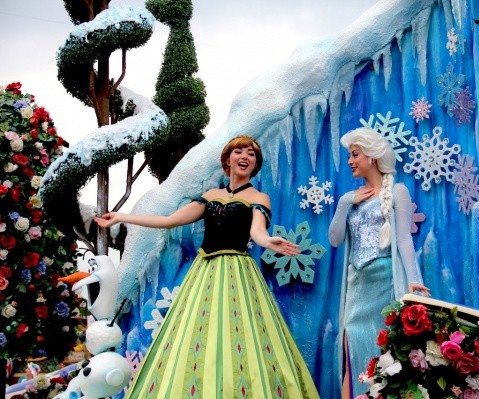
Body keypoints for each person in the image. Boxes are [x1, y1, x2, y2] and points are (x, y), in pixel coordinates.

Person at [95, 135, 319, 399]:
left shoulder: (259, 197)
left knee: (241, 333)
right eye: (239, 151)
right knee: (197, 333)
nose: (245, 156)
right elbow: (170, 220)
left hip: (238, 273)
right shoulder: (211, 196)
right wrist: (123, 216)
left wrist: (268, 241)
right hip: (205, 274)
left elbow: (257, 231)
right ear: (228, 159)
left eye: (251, 154)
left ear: (255, 164)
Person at [328, 127, 430, 398]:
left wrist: (414, 282)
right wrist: (344, 203)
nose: (350, 161)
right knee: (352, 349)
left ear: (371, 156)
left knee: (384, 354)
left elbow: (405, 240)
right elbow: (335, 239)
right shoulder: (351, 198)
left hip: (384, 284)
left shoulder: (397, 191)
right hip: (356, 287)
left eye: (355, 154)